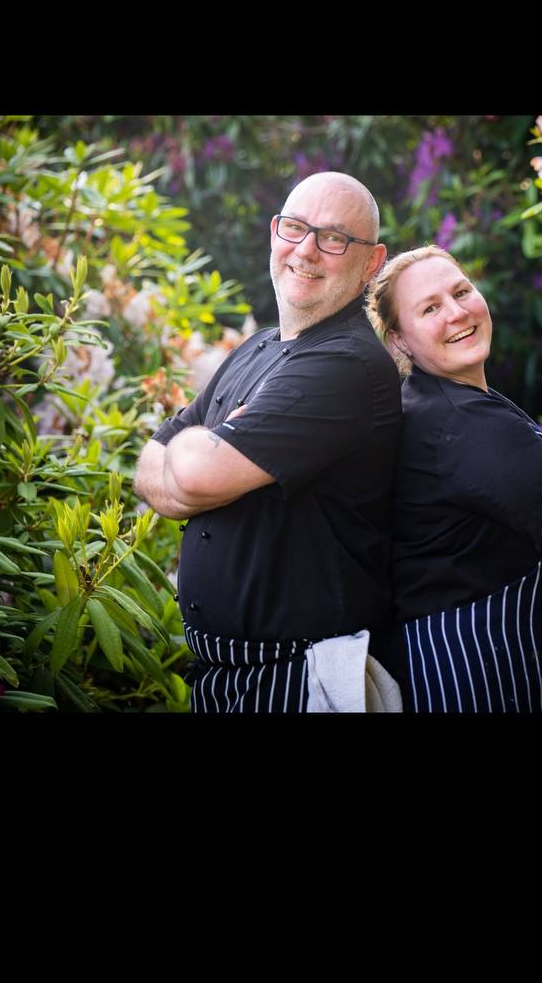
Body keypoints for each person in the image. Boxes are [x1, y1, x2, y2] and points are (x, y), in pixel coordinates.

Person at [133, 172, 403, 713]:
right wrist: (206, 450)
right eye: (295, 228)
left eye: (334, 238)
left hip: (296, 677)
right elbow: (148, 471)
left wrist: (197, 453)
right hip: (223, 674)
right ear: (275, 231)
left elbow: (191, 477)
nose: (306, 250)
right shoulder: (256, 348)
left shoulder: (345, 365)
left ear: (371, 262)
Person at [366, 246, 542, 714]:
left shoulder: (432, 407)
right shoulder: (464, 426)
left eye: (461, 292)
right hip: (489, 678)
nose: (456, 313)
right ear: (399, 341)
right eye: (430, 308)